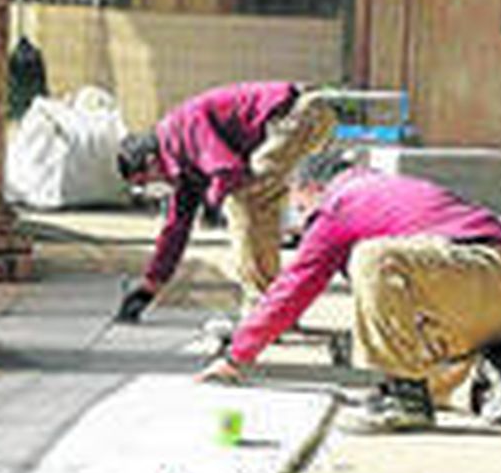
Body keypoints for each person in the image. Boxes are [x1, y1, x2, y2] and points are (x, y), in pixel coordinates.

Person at [197, 150, 501, 433]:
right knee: (409, 356)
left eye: (300, 208)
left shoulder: (338, 204)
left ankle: (405, 403)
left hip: (472, 276)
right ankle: (485, 380)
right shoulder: (387, 189)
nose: (302, 222)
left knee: (372, 259)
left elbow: (295, 287)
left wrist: (236, 355)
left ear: (313, 189)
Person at [114, 81, 336, 322]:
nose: (150, 187)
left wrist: (213, 202)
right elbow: (176, 228)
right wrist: (149, 288)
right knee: (259, 211)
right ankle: (273, 308)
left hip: (300, 113)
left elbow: (228, 170)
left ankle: (263, 312)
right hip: (293, 121)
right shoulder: (180, 165)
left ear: (150, 161)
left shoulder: (182, 129)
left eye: (145, 181)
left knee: (245, 202)